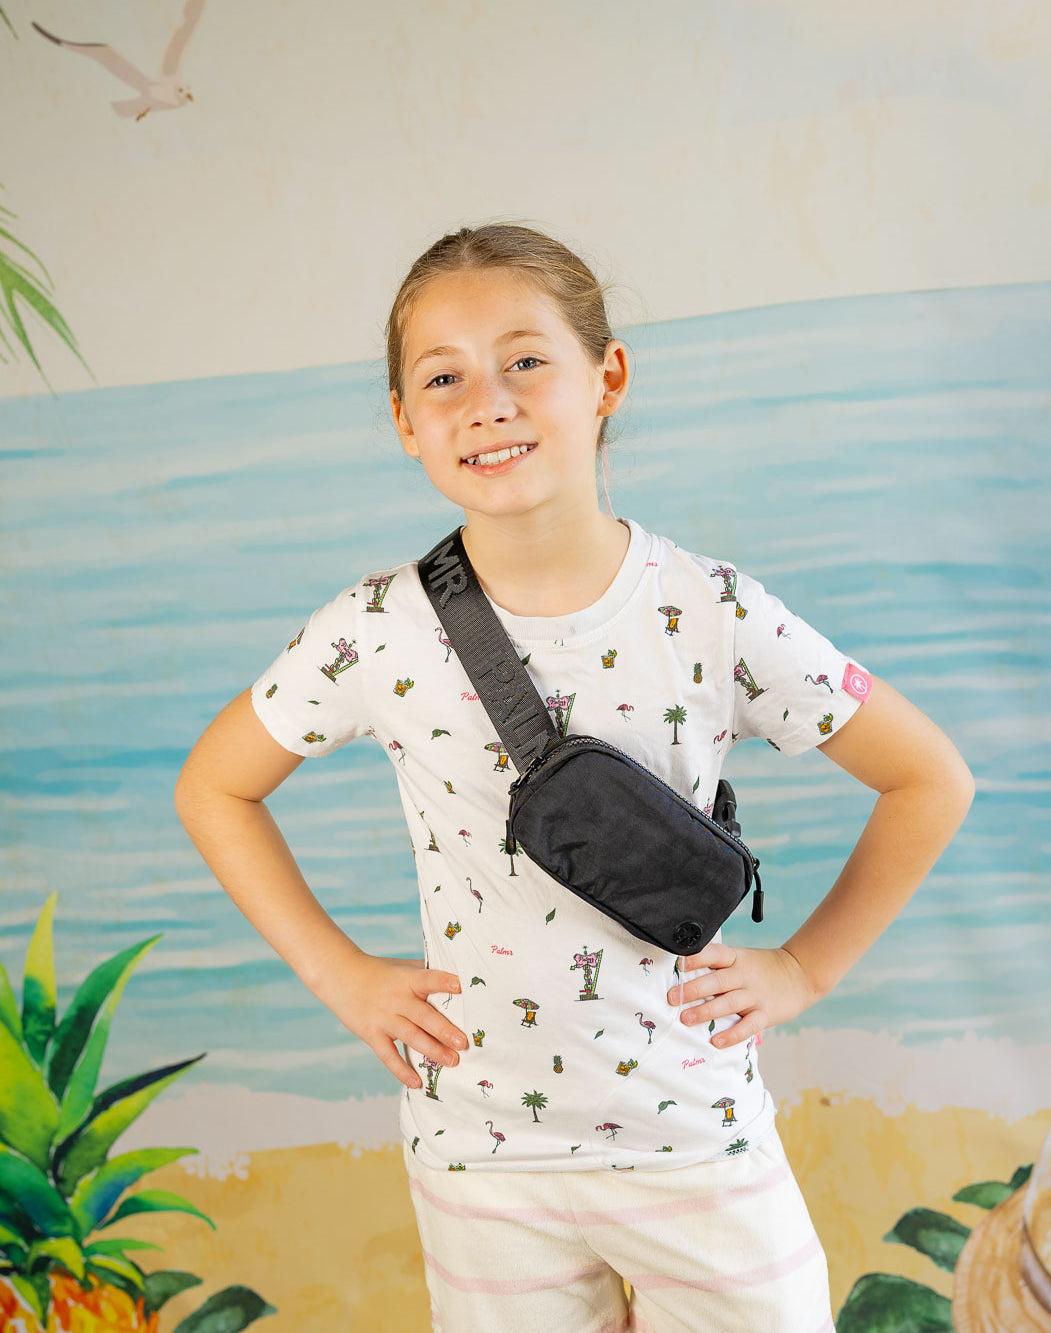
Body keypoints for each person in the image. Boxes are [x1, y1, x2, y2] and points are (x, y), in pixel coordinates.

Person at [175, 223, 975, 1333]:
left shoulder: (713, 610)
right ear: (406, 424)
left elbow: (927, 776)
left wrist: (804, 967)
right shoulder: (372, 631)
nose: (486, 401)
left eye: (524, 361)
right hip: (483, 1157)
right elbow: (213, 787)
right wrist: (339, 975)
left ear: (607, 378)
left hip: (694, 1133)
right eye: (442, 377)